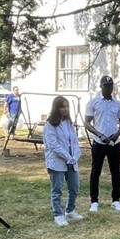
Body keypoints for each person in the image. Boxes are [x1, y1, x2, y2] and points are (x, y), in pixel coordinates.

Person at [84, 75, 120, 212]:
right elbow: (87, 123)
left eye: (111, 85)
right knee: (96, 171)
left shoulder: (118, 104)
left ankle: (116, 200)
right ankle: (94, 201)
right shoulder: (94, 103)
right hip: (99, 142)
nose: (109, 88)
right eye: (106, 85)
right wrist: (99, 134)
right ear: (101, 87)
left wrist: (117, 134)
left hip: (114, 142)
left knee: (115, 172)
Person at [43, 96, 84, 227]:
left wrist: (76, 155)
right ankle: (58, 214)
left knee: (74, 187)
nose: (65, 109)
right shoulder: (50, 125)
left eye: (67, 106)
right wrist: (67, 156)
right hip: (58, 161)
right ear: (56, 108)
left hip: (71, 161)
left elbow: (75, 141)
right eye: (62, 106)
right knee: (57, 190)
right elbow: (53, 145)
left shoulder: (68, 123)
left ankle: (70, 210)